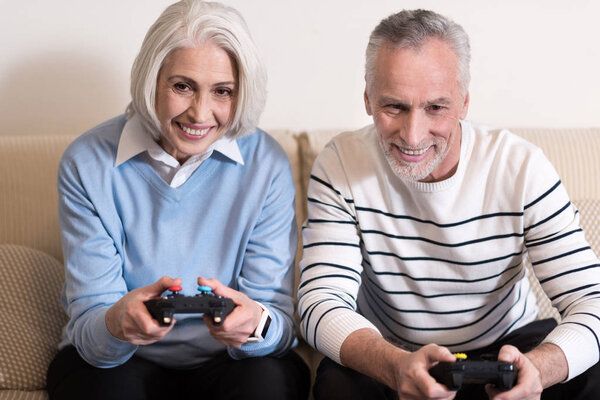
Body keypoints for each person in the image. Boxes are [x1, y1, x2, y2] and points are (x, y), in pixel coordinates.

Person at [298, 9, 600, 400]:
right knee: (337, 385)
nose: (413, 135)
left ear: (465, 103)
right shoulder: (340, 163)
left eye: (435, 108)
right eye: (395, 107)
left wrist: (540, 370)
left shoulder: (521, 167)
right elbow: (320, 301)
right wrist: (394, 366)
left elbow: (591, 299)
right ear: (368, 100)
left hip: (506, 348)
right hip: (392, 350)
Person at [46, 1, 309, 399]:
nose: (200, 114)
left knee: (268, 382)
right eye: (182, 86)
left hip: (231, 362)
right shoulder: (86, 162)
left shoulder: (266, 163)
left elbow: (280, 323)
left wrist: (256, 324)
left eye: (223, 92)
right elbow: (90, 327)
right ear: (152, 79)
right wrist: (117, 322)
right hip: (122, 360)